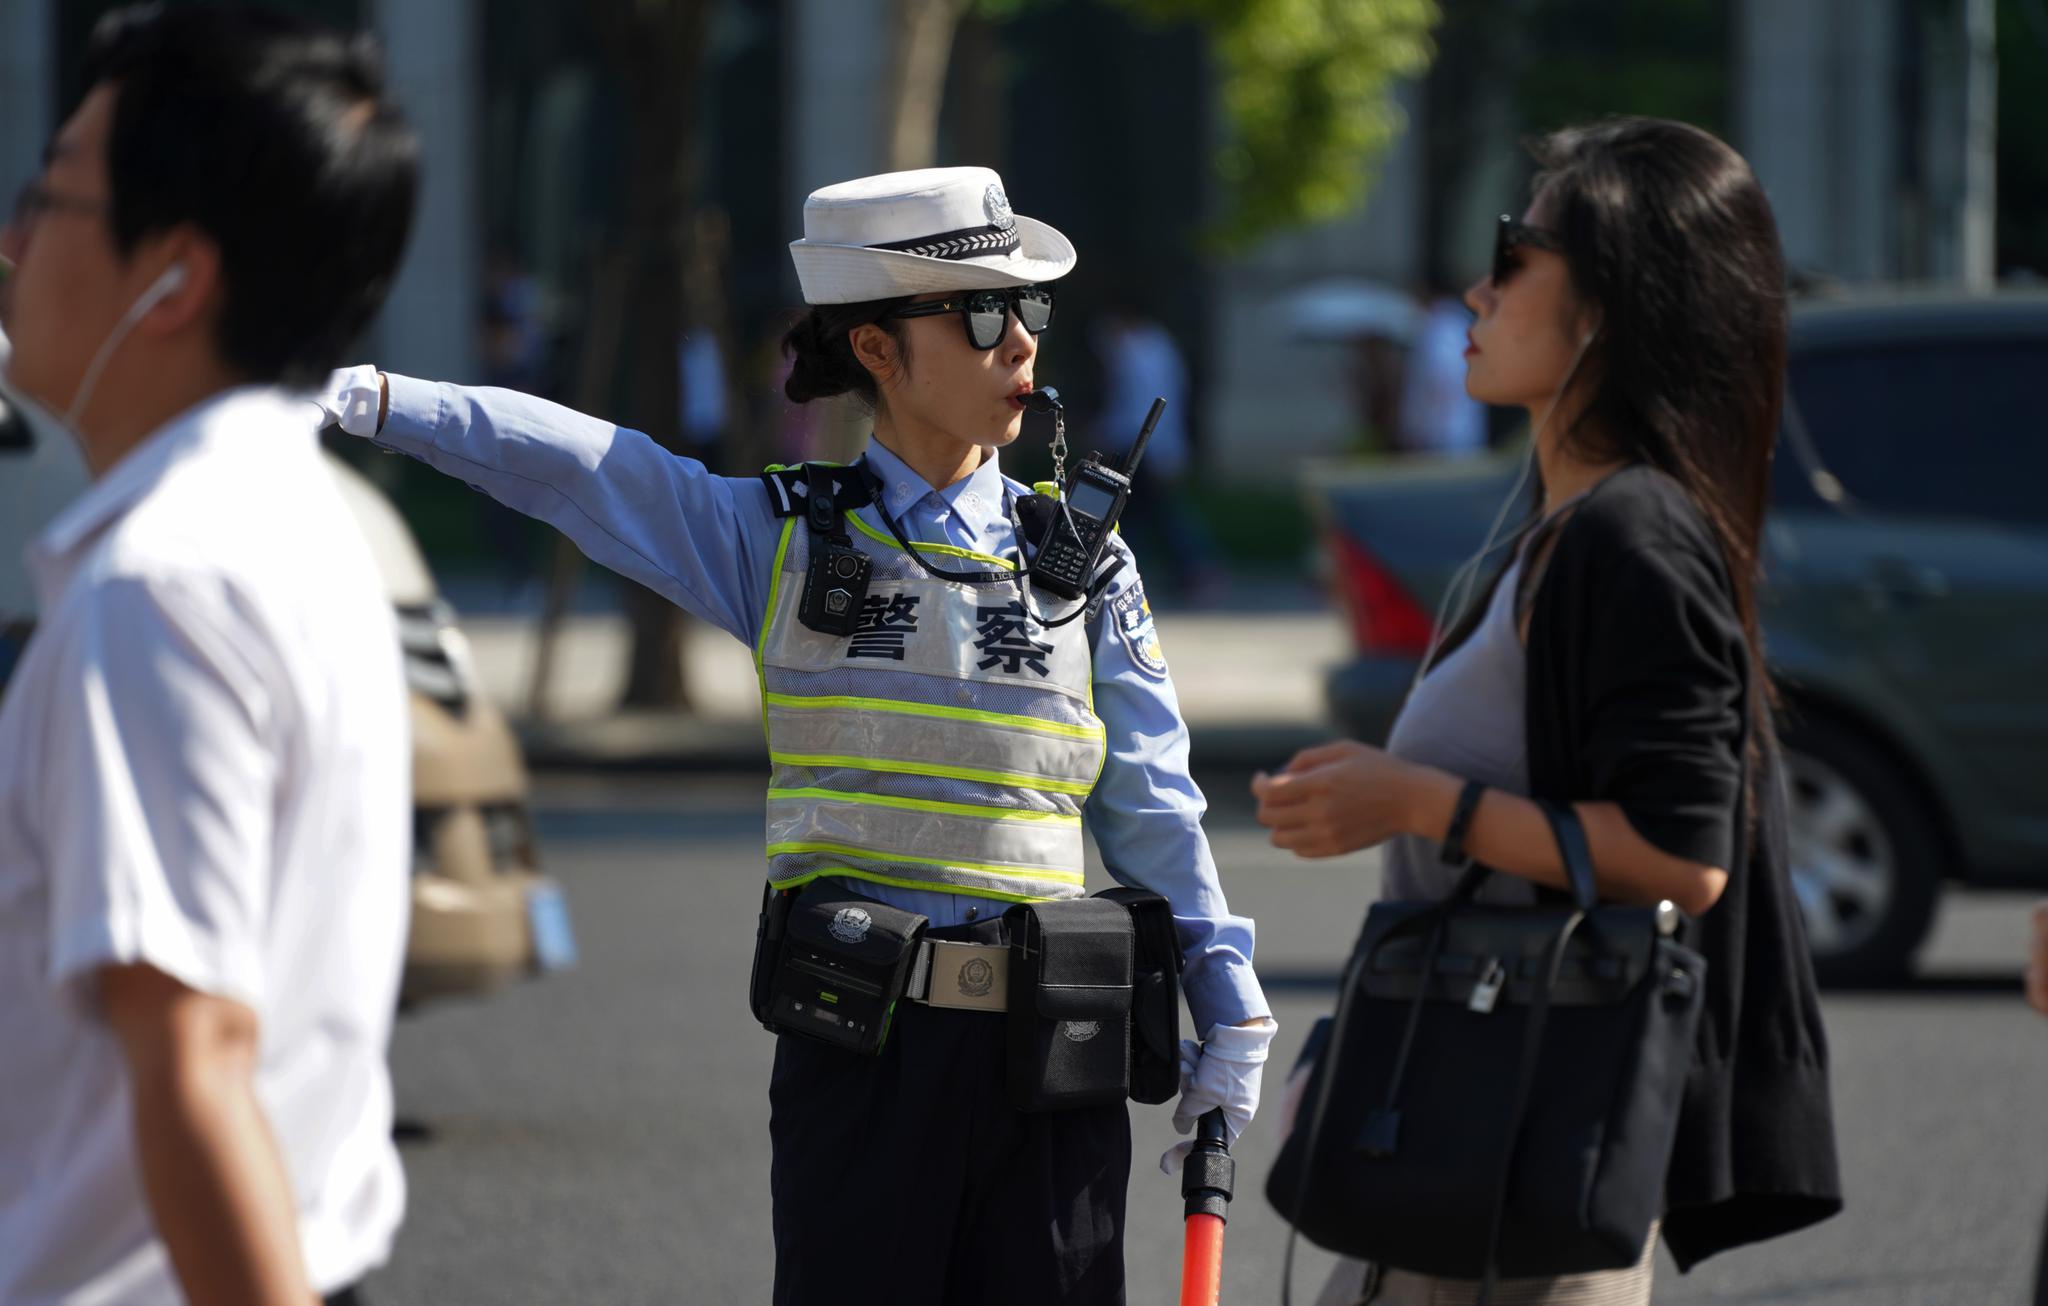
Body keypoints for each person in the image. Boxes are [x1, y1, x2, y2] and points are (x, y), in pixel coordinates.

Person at [316, 165, 1275, 1305]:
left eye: (1030, 311)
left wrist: (1229, 1006)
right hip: (861, 1061)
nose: (1020, 342)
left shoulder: (1085, 562)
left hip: (1053, 1068)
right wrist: (369, 397)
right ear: (875, 349)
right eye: (981, 313)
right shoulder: (774, 540)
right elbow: (575, 461)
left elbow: (1154, 807)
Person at [1254, 118, 1843, 1304]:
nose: (1475, 288)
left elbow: (1682, 859)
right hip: (1464, 1132)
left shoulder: (1632, 536)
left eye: (1511, 256)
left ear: (1610, 305)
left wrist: (1413, 798)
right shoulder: (1559, 524)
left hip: (1519, 1168)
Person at [0, 8, 418, 1304]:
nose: (11, 241)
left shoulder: (156, 589)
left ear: (174, 277)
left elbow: (194, 1060)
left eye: (47, 194)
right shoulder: (297, 516)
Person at [1394, 277, 1488, 457]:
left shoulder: (1440, 327)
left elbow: (1441, 377)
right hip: (1458, 431)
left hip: (1440, 435)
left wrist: (1423, 425)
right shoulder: (1457, 324)